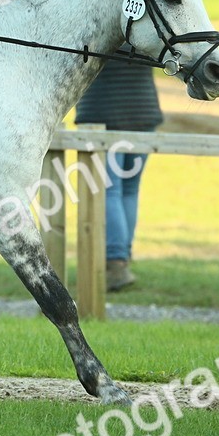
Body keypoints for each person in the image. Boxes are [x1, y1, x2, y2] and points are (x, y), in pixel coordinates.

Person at [74, 60, 163, 291]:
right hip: (143, 113)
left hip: (102, 113)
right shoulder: (146, 24)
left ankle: (115, 262)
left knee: (109, 189)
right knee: (128, 190)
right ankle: (122, 256)